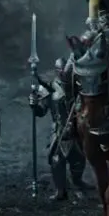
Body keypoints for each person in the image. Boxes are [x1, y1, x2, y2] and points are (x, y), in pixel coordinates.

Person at [28, 58, 88, 201]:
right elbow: (41, 112)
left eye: (67, 71)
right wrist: (34, 105)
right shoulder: (49, 88)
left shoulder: (77, 87)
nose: (64, 73)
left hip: (76, 128)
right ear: (57, 71)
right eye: (61, 71)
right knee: (56, 160)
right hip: (59, 129)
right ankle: (60, 191)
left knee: (78, 158)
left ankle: (78, 185)